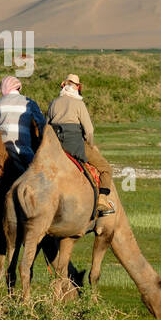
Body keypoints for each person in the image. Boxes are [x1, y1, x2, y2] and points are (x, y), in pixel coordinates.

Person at [46, 73, 114, 217]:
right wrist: (90, 144)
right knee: (105, 168)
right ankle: (102, 199)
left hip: (55, 147)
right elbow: (89, 130)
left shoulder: (54, 103)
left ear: (63, 86)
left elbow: (46, 126)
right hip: (75, 145)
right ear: (77, 87)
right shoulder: (79, 104)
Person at [0, 75, 45, 168]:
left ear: (4, 88)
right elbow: (42, 125)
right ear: (18, 88)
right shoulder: (30, 103)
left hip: (1, 151)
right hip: (23, 150)